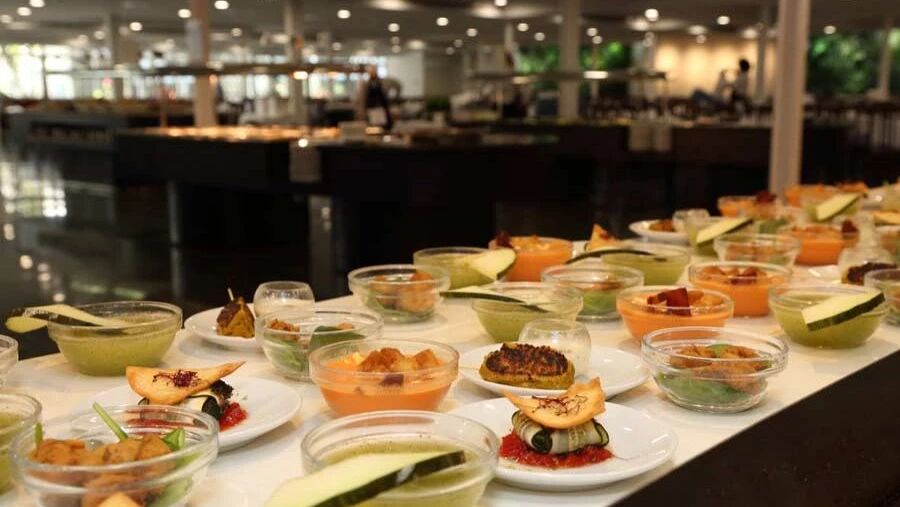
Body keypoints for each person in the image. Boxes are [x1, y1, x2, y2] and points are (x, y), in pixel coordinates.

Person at [355, 65, 393, 131]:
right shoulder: (367, 84)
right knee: (373, 127)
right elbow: (363, 99)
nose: (372, 73)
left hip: (381, 109)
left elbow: (385, 96)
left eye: (373, 72)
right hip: (371, 109)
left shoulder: (382, 82)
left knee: (383, 127)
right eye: (371, 72)